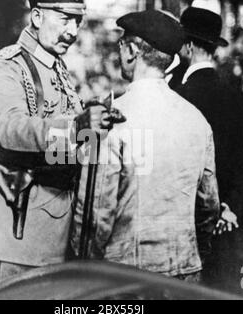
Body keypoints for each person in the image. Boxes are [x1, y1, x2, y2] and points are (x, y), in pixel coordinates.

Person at [71, 10, 220, 282]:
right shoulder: (198, 121)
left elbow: (94, 214)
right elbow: (209, 206)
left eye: (121, 45)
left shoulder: (110, 119)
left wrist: (82, 270)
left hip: (126, 276)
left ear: (130, 51)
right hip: (185, 274)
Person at [0, 0, 110, 287]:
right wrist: (76, 127)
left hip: (53, 230)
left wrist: (96, 130)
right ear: (36, 16)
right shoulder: (7, 65)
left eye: (77, 22)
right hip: (16, 234)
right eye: (65, 19)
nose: (72, 31)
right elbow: (10, 129)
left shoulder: (56, 68)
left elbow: (60, 149)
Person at [171, 7, 243, 290]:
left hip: (187, 221)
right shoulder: (232, 93)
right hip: (224, 218)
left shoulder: (179, 93)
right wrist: (229, 207)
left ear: (189, 45)